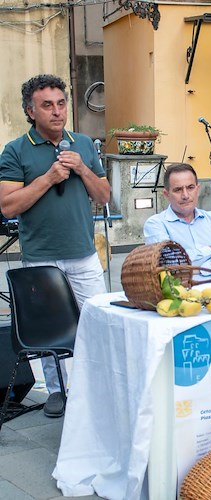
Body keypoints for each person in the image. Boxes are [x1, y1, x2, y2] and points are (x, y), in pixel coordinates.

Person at [0, 74, 110, 418]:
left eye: (61, 103)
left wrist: (82, 170)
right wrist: (48, 178)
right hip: (40, 258)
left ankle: (98, 384)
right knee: (51, 332)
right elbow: (7, 206)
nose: (57, 111)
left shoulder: (84, 145)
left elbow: (104, 196)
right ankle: (58, 391)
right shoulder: (15, 150)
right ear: (30, 111)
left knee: (98, 322)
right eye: (47, 105)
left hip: (83, 253)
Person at [143, 163, 211, 282]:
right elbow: (171, 264)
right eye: (178, 190)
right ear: (166, 194)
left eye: (190, 187)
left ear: (197, 189)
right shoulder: (156, 224)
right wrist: (210, 251)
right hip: (181, 295)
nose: (185, 195)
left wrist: (198, 269)